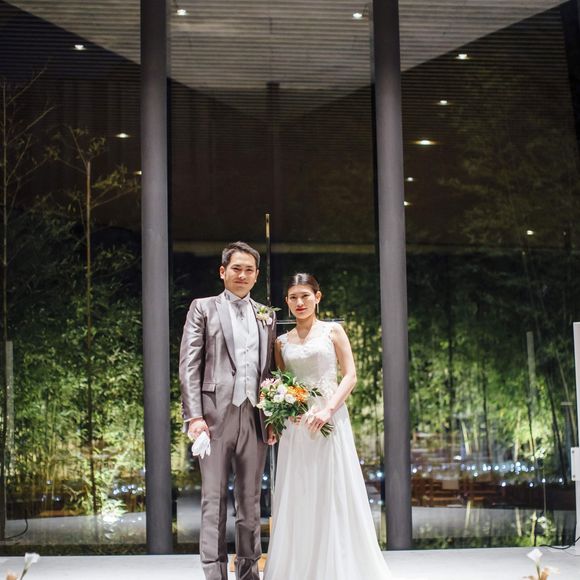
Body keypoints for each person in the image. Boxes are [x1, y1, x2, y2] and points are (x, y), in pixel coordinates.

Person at [264, 273, 393, 580]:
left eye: (305, 296)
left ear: (317, 297)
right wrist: (287, 410)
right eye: (293, 297)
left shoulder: (333, 331)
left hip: (330, 419)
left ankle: (337, 567)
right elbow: (284, 382)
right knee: (299, 491)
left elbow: (350, 375)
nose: (299, 302)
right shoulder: (281, 342)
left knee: (333, 488)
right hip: (298, 426)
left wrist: (328, 409)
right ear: (286, 301)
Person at [179, 241, 277, 580]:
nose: (242, 275)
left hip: (254, 416)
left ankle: (248, 573)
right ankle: (214, 573)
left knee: (251, 500)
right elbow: (189, 365)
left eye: (249, 270)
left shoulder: (266, 314)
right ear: (223, 271)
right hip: (213, 418)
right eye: (236, 268)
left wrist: (272, 418)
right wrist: (194, 416)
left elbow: (269, 371)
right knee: (214, 499)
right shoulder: (203, 308)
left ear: (256, 275)